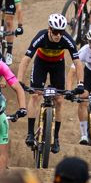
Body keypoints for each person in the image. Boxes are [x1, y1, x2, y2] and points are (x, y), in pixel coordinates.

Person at [17, 13, 77, 154]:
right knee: (35, 95)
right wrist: (19, 80)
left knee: (59, 100)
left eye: (61, 32)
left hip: (58, 65)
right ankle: (30, 133)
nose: (58, 35)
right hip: (41, 63)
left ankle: (56, 138)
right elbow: (26, 59)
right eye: (55, 32)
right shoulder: (41, 36)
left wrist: (80, 84)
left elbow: (78, 62)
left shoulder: (66, 39)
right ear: (49, 29)